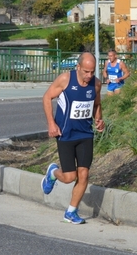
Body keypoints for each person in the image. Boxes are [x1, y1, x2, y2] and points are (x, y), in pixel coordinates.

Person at [40, 52, 105, 224]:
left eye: (92, 72)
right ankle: (53, 173)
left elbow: (97, 104)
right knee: (69, 177)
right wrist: (51, 124)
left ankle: (71, 212)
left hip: (85, 135)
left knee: (83, 174)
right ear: (78, 67)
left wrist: (99, 120)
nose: (89, 76)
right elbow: (47, 97)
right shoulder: (65, 79)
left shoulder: (96, 84)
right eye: (85, 71)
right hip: (65, 134)